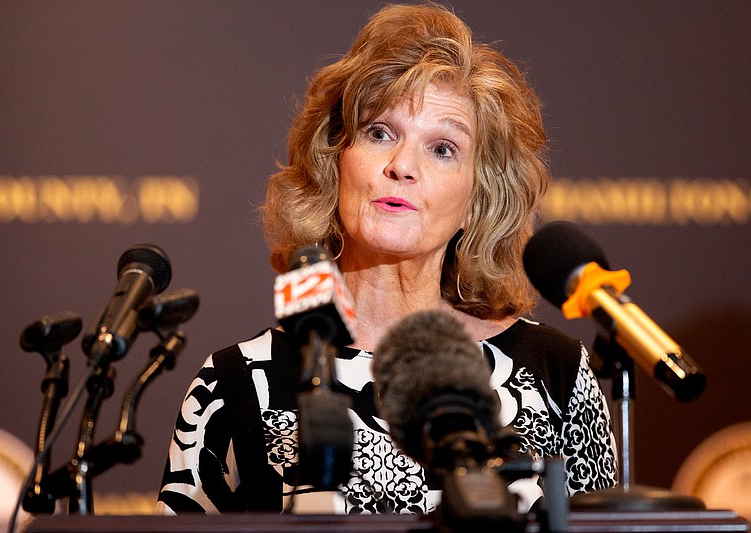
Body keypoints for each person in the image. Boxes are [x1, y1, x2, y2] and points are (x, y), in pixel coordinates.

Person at [157, 2, 617, 516]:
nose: (402, 166)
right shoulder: (235, 382)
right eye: (380, 133)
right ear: (336, 160)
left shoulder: (556, 374)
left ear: (477, 197)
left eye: (442, 148)